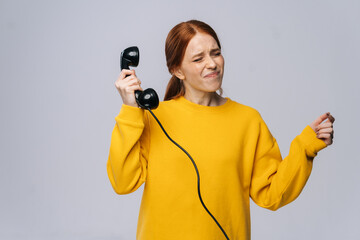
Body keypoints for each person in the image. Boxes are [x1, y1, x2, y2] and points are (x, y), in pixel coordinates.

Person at [107, 20, 335, 240]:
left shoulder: (248, 120)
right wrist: (130, 110)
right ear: (177, 70)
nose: (212, 63)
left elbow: (271, 194)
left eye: (215, 53)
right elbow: (123, 182)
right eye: (198, 58)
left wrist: (305, 147)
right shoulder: (153, 117)